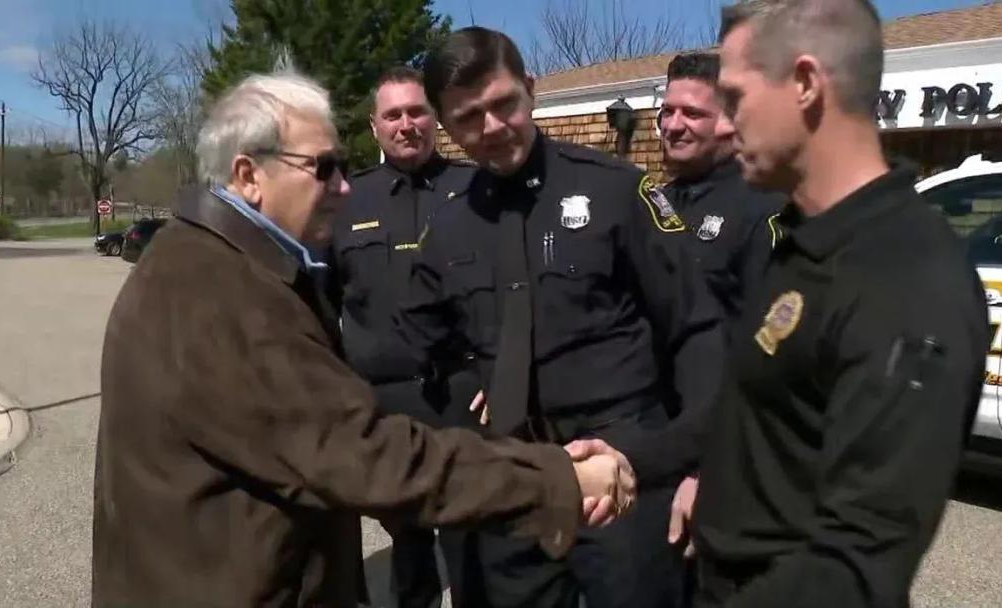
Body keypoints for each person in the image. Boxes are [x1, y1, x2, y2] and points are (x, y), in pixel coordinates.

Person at [91, 67, 637, 608]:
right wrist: (556, 481)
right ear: (248, 175)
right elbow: (361, 455)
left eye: (343, 167)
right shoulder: (218, 293)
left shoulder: (208, 260)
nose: (343, 187)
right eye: (322, 169)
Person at [399, 27, 726, 608]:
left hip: (624, 473)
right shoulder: (447, 226)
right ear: (446, 127)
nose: (493, 127)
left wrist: (699, 462)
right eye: (470, 117)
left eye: (504, 104)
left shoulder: (618, 191)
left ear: (530, 89)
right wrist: (478, 382)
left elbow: (696, 330)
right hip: (518, 480)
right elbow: (427, 340)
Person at [692, 2, 989, 607]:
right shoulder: (804, 240)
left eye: (735, 97)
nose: (724, 124)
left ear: (804, 84)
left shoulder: (906, 278)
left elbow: (857, 566)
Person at [326, 66, 482, 608]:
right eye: (393, 114)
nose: (406, 124)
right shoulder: (347, 200)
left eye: (417, 111)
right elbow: (324, 303)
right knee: (406, 538)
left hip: (464, 392)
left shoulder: (477, 190)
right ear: (374, 127)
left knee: (471, 534)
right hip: (384, 398)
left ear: (435, 117)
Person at [654, 51, 786, 564]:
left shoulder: (762, 209)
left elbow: (767, 355)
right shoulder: (654, 202)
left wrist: (708, 468)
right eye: (667, 111)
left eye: (692, 113)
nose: (673, 125)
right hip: (655, 443)